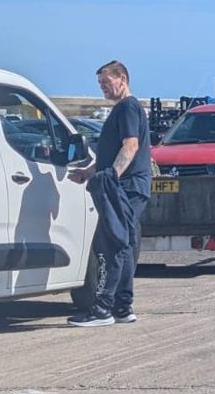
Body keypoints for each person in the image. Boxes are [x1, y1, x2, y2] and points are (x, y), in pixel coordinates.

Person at [67, 60, 152, 327]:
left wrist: (111, 176)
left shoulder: (128, 107)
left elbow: (130, 146)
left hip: (126, 187)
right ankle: (123, 307)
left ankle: (103, 308)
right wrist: (90, 172)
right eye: (100, 83)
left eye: (106, 82)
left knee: (110, 244)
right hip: (127, 185)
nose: (103, 87)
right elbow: (110, 154)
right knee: (123, 244)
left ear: (122, 78)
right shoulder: (123, 109)